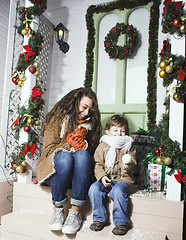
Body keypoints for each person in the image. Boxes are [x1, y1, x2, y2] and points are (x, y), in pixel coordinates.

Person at [36, 87, 101, 234]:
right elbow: (49, 149)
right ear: (75, 102)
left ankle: (75, 213)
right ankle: (58, 210)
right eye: (84, 107)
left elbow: (93, 153)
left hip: (79, 175)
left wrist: (83, 144)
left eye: (90, 110)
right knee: (65, 157)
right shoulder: (58, 118)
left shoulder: (91, 125)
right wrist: (69, 143)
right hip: (56, 171)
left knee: (82, 155)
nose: (86, 113)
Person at [88, 115, 136, 236]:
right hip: (106, 178)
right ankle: (99, 218)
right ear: (108, 131)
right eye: (115, 130)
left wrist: (128, 166)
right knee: (94, 189)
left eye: (122, 131)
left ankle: (121, 222)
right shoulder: (103, 145)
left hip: (122, 179)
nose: (119, 134)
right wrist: (102, 176)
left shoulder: (128, 146)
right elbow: (97, 164)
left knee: (118, 191)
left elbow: (134, 162)